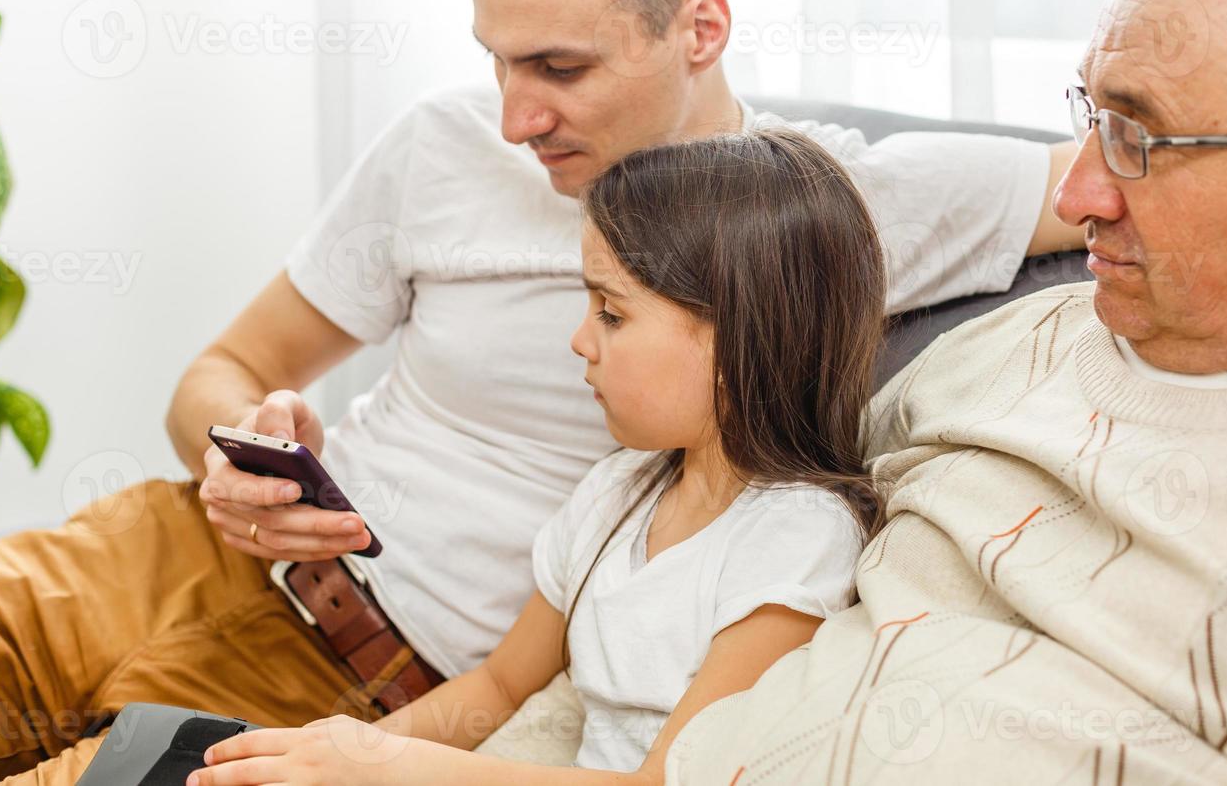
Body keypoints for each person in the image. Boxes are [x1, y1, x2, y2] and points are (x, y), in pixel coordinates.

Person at [0, 0, 1081, 782]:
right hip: (160, 551)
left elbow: (1130, 173)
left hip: (371, 682)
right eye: (496, 60)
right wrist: (234, 461)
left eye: (559, 67)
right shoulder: (445, 144)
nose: (514, 118)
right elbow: (222, 369)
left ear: (700, 28)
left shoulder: (829, 209)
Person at [662, 0, 1227, 784]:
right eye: (1092, 117)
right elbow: (737, 537)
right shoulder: (1015, 343)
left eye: (1137, 139)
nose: (1076, 199)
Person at [190, 129, 887, 784]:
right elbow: (496, 687)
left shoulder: (795, 536)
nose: (580, 341)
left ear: (740, 344)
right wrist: (330, 752)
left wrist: (391, 766)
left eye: (611, 314)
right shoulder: (618, 492)